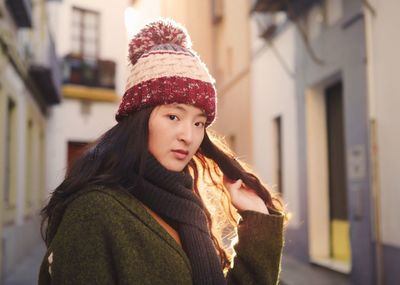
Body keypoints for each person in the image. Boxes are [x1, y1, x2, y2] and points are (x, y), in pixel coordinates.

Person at [38, 19, 286, 285]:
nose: (188, 136)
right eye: (173, 116)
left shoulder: (187, 207)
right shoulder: (94, 212)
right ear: (139, 119)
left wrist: (255, 219)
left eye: (198, 123)